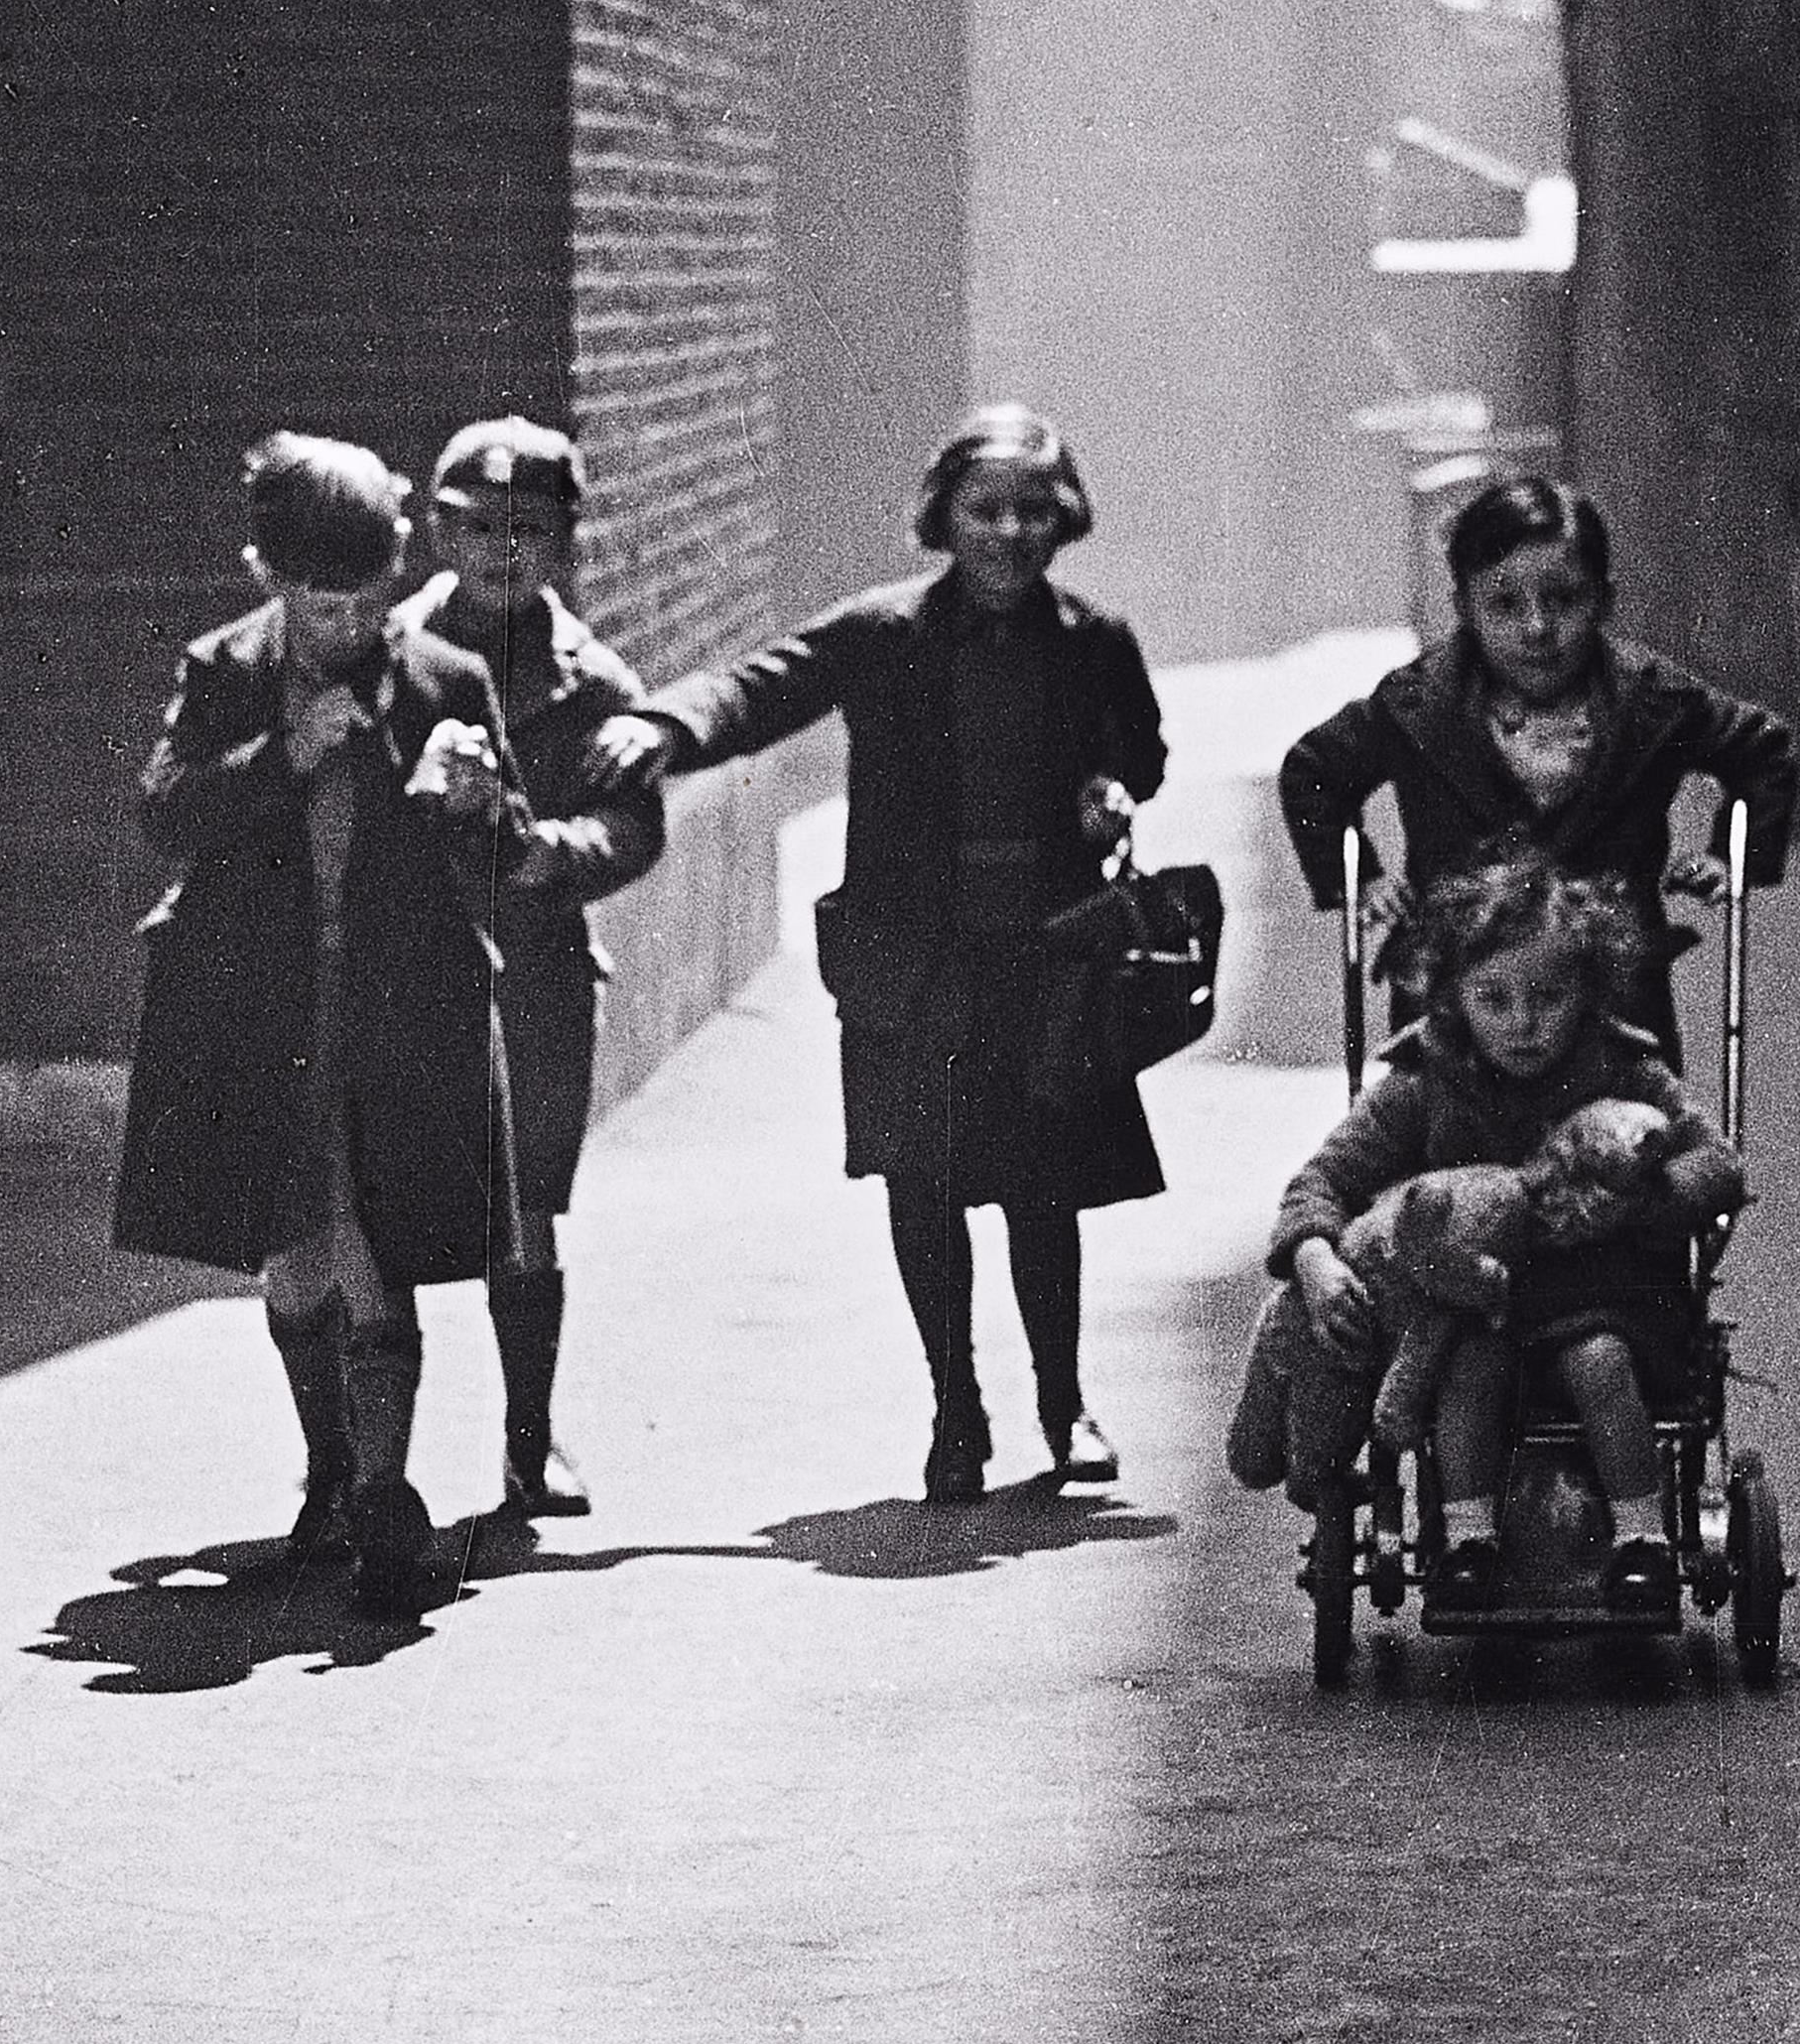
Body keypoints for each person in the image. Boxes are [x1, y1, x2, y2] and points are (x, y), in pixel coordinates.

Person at [585, 403, 1167, 1503]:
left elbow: (1138, 749)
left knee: (1045, 1190)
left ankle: (1064, 1402)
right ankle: (957, 1408)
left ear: (1066, 519)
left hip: (1043, 954)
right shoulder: (883, 633)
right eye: (983, 508)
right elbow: (762, 685)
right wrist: (666, 726)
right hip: (918, 962)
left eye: (1032, 511)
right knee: (925, 1182)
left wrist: (1111, 791)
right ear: (941, 516)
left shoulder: (1096, 641)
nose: (1007, 532)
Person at [111, 432, 529, 1610]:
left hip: (399, 1010)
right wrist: (277, 756)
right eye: (318, 599)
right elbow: (164, 813)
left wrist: (477, 798)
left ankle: (388, 1498)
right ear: (266, 574)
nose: (346, 622)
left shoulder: (447, 679)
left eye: (365, 597)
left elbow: (504, 856)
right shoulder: (226, 670)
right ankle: (331, 1471)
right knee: (293, 1247)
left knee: (375, 1240)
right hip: (259, 1010)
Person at [1263, 855, 1736, 1604]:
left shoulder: (1619, 1067)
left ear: (1585, 993)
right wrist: (1314, 1255)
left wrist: (1646, 1201)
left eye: (1549, 998)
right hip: (1471, 1311)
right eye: (1495, 1000)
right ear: (1454, 997)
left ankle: (1640, 1539)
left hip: (1601, 1296)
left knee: (1600, 1363)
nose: (1522, 1024)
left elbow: (1714, 1160)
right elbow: (1324, 1178)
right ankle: (1468, 1541)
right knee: (1467, 1372)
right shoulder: (1425, 1083)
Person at [1275, 474, 1797, 1058]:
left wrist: (1733, 856)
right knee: (1449, 1140)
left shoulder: (1653, 705)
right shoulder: (1418, 708)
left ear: (1603, 599)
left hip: (1614, 1005)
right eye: (1504, 604)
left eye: (1563, 599)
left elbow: (1762, 751)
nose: (1537, 628)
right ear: (1465, 609)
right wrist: (1363, 880)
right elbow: (1313, 771)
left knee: (1630, 1136)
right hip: (1457, 1000)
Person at [393, 414, 666, 1518]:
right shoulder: (397, 650)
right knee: (390, 1200)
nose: (502, 551)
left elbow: (635, 826)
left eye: (529, 530)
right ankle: (371, 1463)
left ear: (563, 545)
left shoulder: (593, 679)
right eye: (477, 526)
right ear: (439, 534)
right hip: (412, 963)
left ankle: (529, 1440)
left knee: (526, 1214)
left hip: (537, 967)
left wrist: (557, 851)